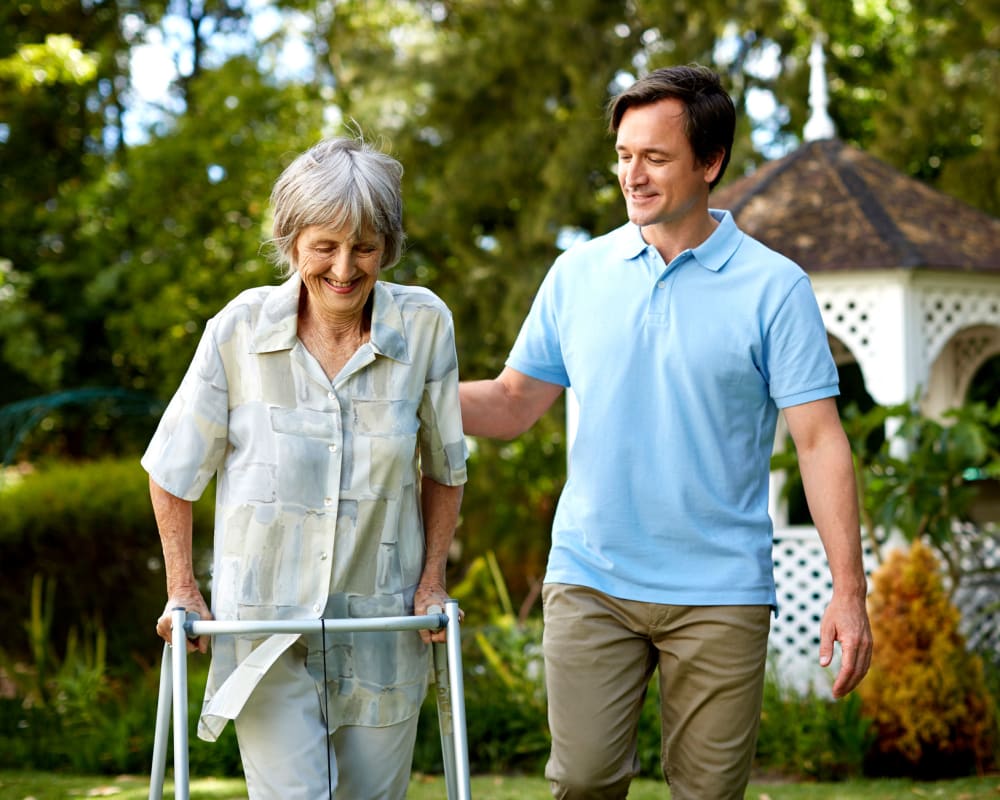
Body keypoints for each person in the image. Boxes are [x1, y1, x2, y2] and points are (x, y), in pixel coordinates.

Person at [459, 65, 873, 799]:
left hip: (719, 587)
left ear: (710, 163)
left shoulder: (775, 287)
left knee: (708, 794)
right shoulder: (576, 274)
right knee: (583, 781)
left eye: (654, 157)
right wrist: (404, 393)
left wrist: (849, 592)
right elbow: (514, 403)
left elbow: (819, 440)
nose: (632, 175)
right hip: (592, 576)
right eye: (623, 154)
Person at [142, 136, 468, 800]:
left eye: (365, 247)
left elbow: (444, 466)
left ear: (389, 247)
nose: (345, 268)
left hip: (380, 626)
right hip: (266, 633)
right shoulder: (237, 332)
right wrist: (183, 588)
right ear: (291, 243)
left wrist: (432, 578)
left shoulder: (424, 326)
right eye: (325, 245)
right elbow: (173, 467)